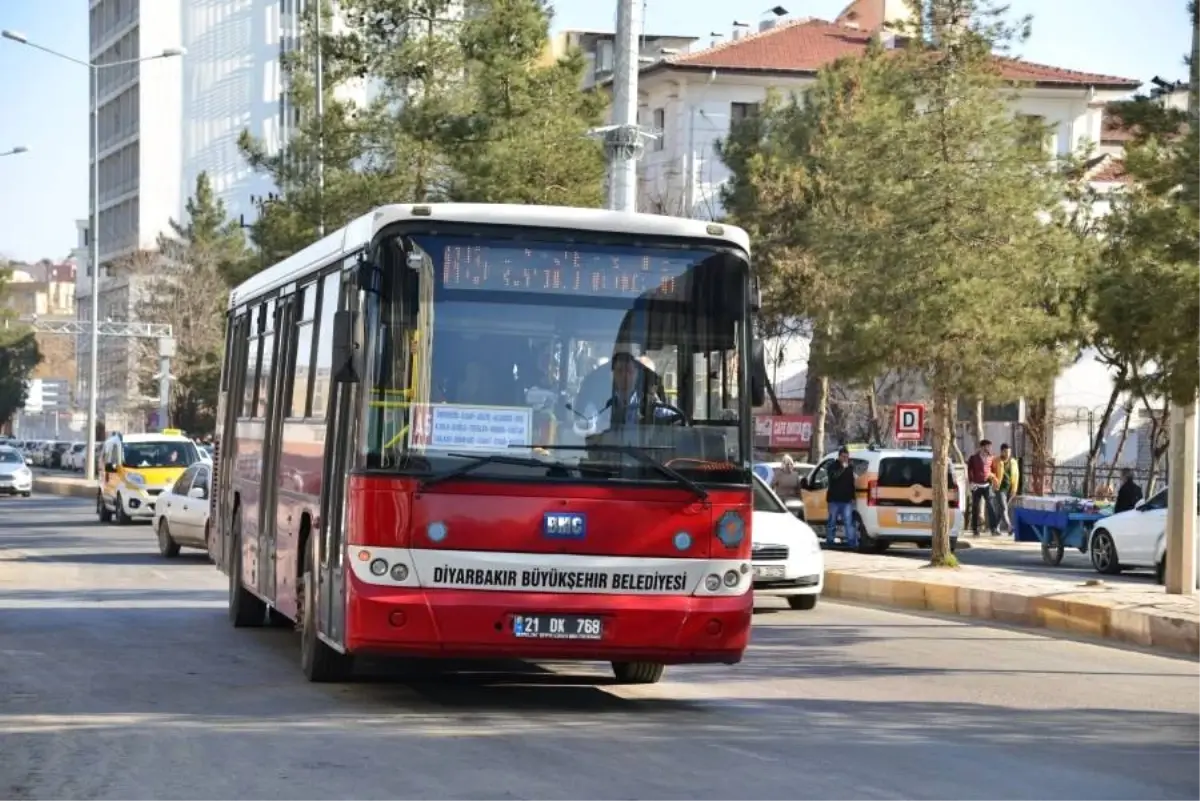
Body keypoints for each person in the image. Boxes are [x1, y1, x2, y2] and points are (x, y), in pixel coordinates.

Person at [825, 446, 858, 548]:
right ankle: (830, 541)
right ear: (839, 456)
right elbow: (833, 477)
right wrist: (842, 468)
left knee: (848, 522)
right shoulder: (832, 466)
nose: (845, 459)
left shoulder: (850, 467)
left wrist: (853, 497)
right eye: (843, 457)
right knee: (832, 522)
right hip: (834, 499)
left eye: (847, 457)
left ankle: (851, 542)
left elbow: (851, 483)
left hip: (846, 500)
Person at [966, 439, 997, 536]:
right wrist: (971, 483)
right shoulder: (973, 458)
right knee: (975, 507)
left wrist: (992, 478)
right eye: (987, 446)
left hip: (987, 485)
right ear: (982, 447)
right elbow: (970, 471)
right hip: (976, 486)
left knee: (991, 507)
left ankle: (993, 529)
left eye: (990, 446)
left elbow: (993, 470)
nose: (989, 448)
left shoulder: (991, 458)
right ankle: (975, 529)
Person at [991, 443, 1020, 534]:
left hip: (1010, 488)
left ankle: (995, 528)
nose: (1008, 454)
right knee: (1004, 507)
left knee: (1002, 509)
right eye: (1006, 452)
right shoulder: (996, 460)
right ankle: (1009, 526)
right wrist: (994, 480)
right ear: (1002, 452)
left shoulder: (1014, 462)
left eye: (1009, 452)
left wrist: (1014, 489)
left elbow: (1016, 476)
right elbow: (990, 472)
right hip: (999, 488)